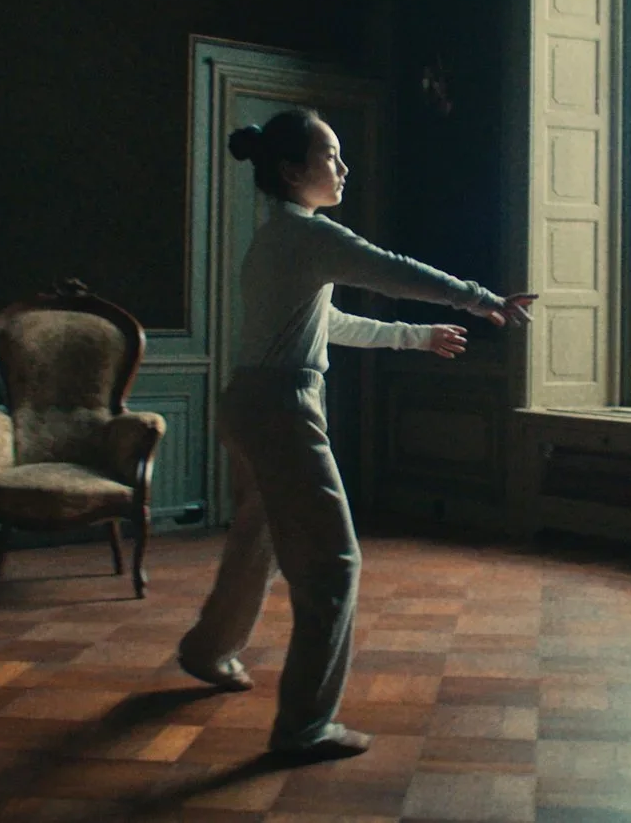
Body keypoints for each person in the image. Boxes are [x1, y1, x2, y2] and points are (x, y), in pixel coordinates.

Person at [177, 108, 536, 762]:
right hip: (280, 410)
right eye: (331, 156)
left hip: (251, 403)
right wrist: (479, 298)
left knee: (256, 537)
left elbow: (331, 323)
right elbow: (392, 268)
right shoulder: (306, 235)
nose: (343, 167)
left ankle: (208, 649)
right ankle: (304, 727)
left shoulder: (280, 239)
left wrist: (416, 337)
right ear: (292, 171)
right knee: (334, 566)